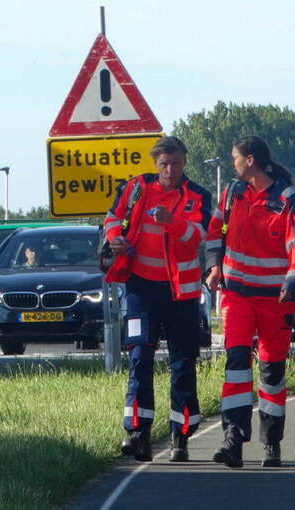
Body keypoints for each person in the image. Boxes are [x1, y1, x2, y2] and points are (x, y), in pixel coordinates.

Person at [103, 136, 212, 463]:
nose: (170, 170)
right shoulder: (136, 187)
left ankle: (181, 437)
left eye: (176, 163)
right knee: (139, 358)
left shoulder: (197, 195)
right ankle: (137, 433)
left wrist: (172, 221)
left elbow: (199, 235)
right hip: (140, 289)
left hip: (181, 293)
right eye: (164, 164)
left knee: (183, 362)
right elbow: (112, 217)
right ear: (155, 163)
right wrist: (115, 238)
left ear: (184, 162)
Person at [205, 136, 295, 468]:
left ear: (250, 160)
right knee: (236, 364)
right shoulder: (232, 194)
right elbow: (215, 232)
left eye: (234, 157)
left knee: (271, 372)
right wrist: (214, 267)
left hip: (275, 300)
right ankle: (233, 439)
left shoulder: (286, 198)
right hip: (237, 295)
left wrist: (294, 278)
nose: (232, 162)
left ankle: (271, 442)